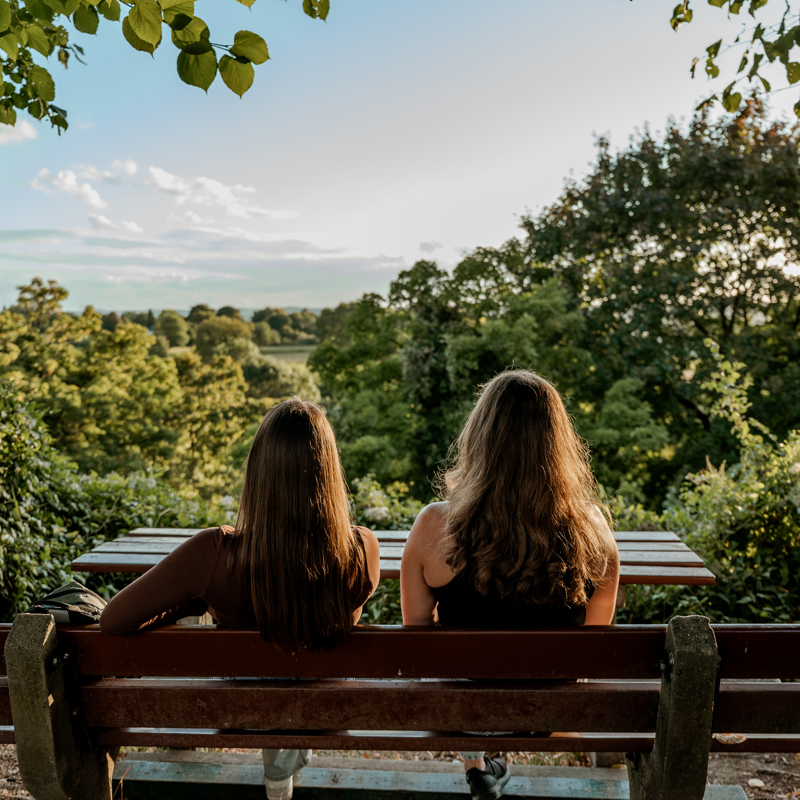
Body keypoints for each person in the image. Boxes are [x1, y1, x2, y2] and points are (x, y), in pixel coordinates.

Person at [100, 397, 381, 800]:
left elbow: (113, 620)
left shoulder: (213, 553)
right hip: (321, 713)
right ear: (329, 473)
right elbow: (340, 623)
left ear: (257, 471)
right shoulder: (362, 548)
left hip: (240, 712)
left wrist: (197, 600)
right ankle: (280, 777)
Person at [400, 370, 619, 800]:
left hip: (461, 714)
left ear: (479, 438)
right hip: (548, 715)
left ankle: (476, 764)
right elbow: (591, 648)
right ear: (558, 445)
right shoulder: (593, 530)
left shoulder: (433, 525)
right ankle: (487, 766)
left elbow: (418, 640)